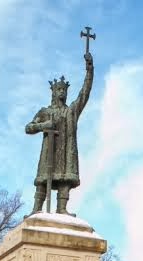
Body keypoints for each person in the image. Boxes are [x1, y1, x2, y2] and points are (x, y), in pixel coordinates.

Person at [25, 50, 94, 216]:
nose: (62, 92)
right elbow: (28, 127)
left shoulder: (71, 111)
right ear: (54, 92)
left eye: (64, 90)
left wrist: (90, 69)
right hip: (49, 152)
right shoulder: (45, 111)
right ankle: (36, 209)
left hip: (65, 153)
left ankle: (61, 208)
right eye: (59, 90)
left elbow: (85, 93)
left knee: (64, 178)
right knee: (42, 179)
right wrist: (43, 125)